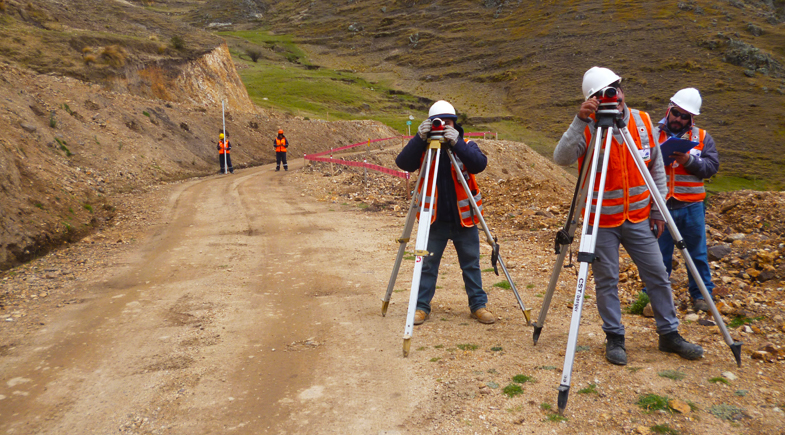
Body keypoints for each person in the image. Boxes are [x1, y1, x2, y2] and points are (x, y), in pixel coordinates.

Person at [553, 67, 703, 365]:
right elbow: (562, 158)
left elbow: (656, 168)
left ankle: (669, 334)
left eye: (616, 89)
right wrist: (580, 119)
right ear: (592, 99)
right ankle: (615, 337)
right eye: (603, 93)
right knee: (606, 280)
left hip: (638, 218)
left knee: (658, 275)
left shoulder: (643, 122)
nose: (614, 96)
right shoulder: (587, 127)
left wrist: (659, 210)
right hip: (601, 222)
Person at [395, 100, 495, 325]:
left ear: (455, 124)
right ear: (430, 124)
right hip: (433, 221)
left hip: (464, 220)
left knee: (471, 263)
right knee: (427, 265)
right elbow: (403, 163)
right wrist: (419, 139)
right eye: (438, 122)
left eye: (447, 122)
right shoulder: (424, 149)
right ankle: (421, 307)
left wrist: (456, 142)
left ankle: (478, 306)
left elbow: (479, 164)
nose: (442, 125)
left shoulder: (466, 144)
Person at [654, 88, 719, 312]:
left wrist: (689, 160)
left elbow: (711, 167)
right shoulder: (652, 134)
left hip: (692, 207)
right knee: (658, 256)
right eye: (676, 113)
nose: (679, 119)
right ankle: (655, 298)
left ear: (691, 118)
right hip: (660, 207)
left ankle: (701, 296)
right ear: (669, 109)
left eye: (685, 116)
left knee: (697, 254)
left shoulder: (702, 138)